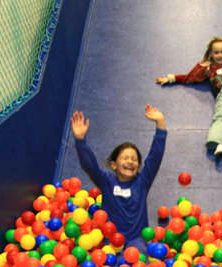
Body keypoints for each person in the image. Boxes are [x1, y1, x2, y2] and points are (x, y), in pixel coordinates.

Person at [71, 105, 166, 252]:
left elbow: (155, 157)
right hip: (110, 242)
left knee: (137, 257)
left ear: (139, 166)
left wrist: (160, 124)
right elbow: (90, 165)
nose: (130, 162)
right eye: (125, 158)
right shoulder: (107, 181)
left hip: (136, 242)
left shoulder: (142, 182)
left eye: (134, 159)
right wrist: (80, 140)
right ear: (114, 165)